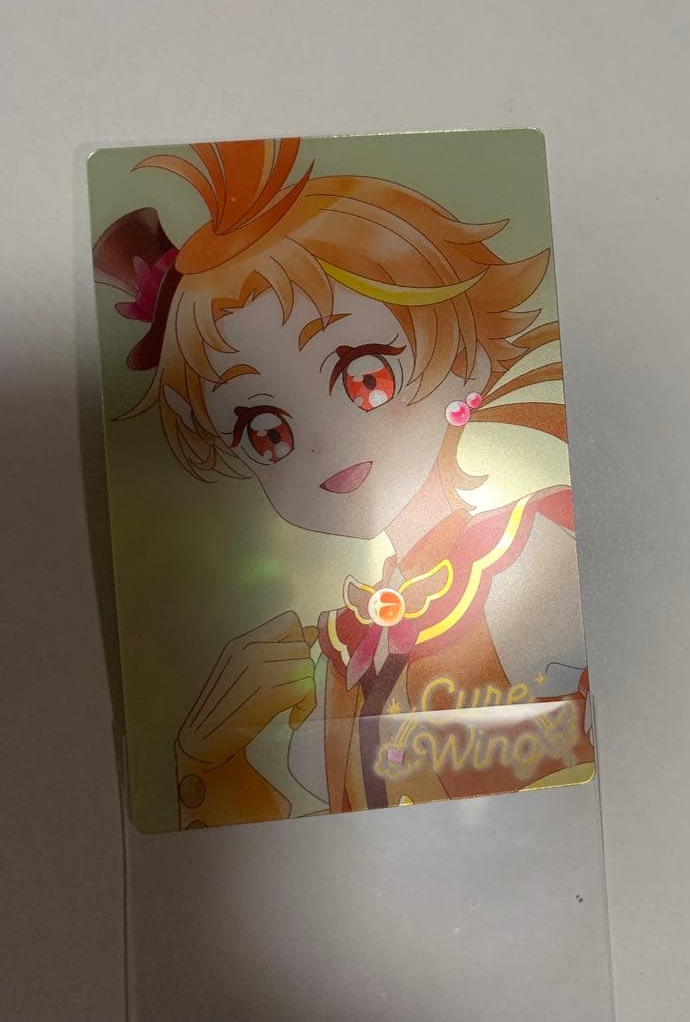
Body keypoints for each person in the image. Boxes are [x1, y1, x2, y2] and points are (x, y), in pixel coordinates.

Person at [93, 136, 593, 828]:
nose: (326, 443)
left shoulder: (545, 547)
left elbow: (618, 753)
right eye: (266, 430)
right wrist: (209, 759)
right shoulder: (330, 659)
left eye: (364, 375)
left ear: (467, 362)